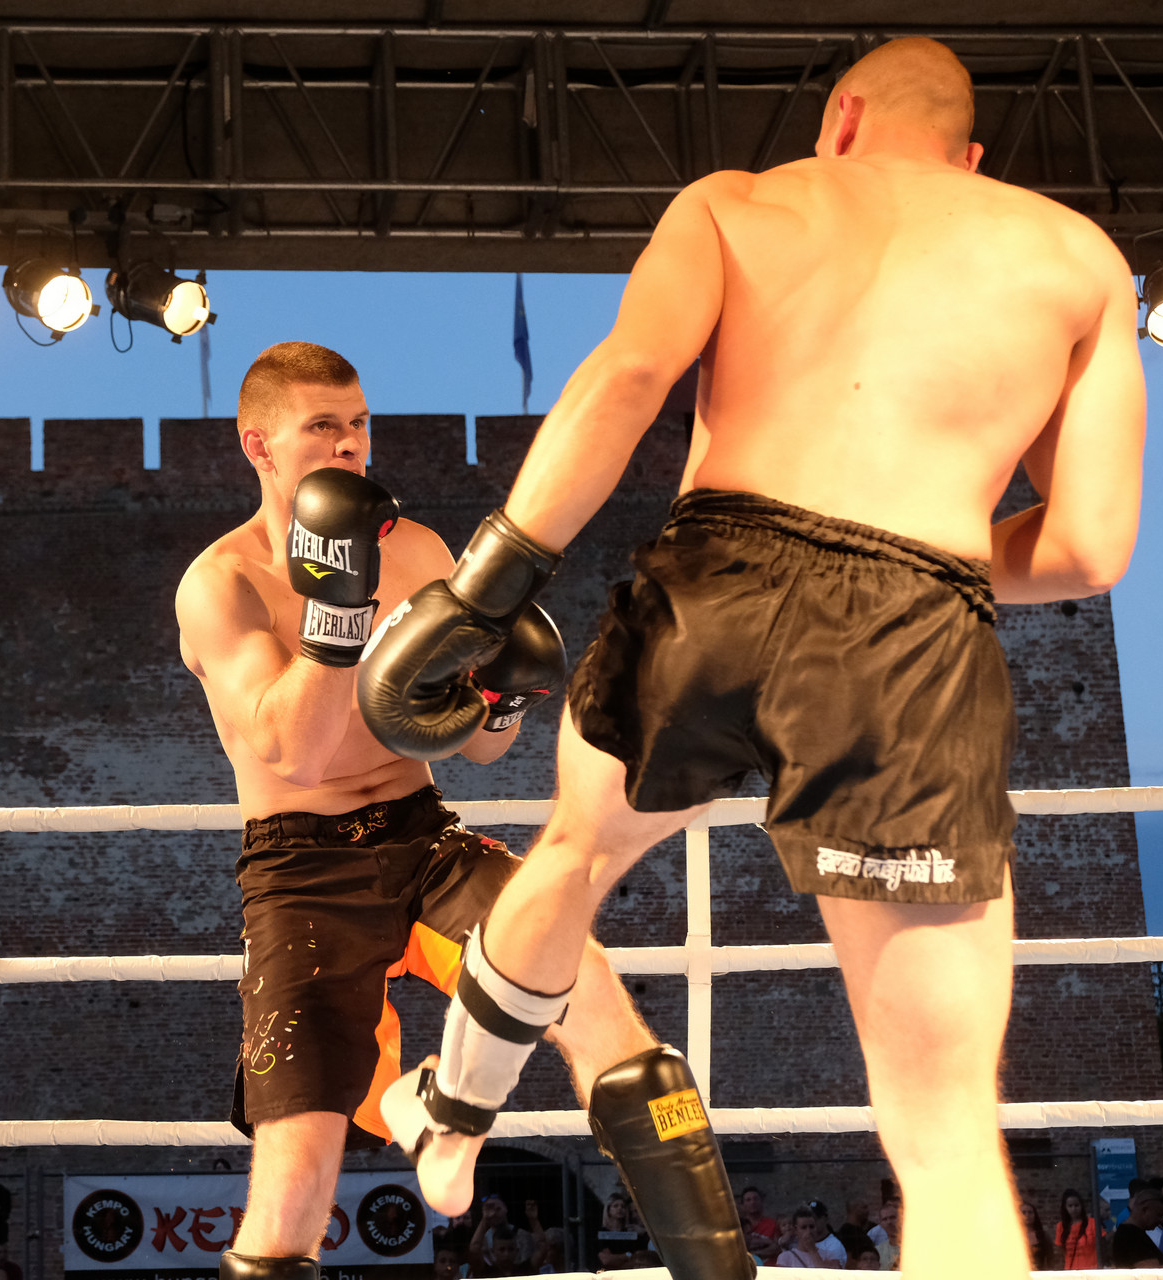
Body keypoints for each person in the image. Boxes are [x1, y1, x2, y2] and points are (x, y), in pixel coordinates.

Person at [359, 34, 1144, 1280]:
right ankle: (454, 1116)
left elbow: (626, 378)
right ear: (973, 157)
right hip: (911, 627)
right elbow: (1092, 545)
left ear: (843, 118)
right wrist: (918, 566)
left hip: (717, 575)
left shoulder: (739, 202)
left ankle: (453, 1115)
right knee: (946, 1135)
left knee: (572, 853)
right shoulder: (1076, 257)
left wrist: (481, 588)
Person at [175, 341, 732, 1280]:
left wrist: (501, 700)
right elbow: (293, 752)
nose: (350, 445)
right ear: (258, 445)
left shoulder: (419, 551)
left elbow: (474, 748)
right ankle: (412, 1116)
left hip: (424, 834)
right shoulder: (221, 583)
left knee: (600, 1005)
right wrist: (338, 612)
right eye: (323, 426)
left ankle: (718, 1268)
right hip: (301, 873)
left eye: (359, 424)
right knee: (293, 1184)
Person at [1111, 1189, 1163, 1268]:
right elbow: (1150, 1270)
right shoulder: (1130, 1236)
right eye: (1158, 1215)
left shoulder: (1132, 1234)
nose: (1161, 1220)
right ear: (1145, 1209)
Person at [1057, 1190, 1099, 1270]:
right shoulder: (1061, 1226)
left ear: (1081, 1206)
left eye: (1076, 1205)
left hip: (1091, 1269)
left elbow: (1102, 1246)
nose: (1074, 1209)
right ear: (1065, 1207)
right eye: (1070, 1206)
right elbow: (1061, 1250)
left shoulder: (1092, 1223)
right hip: (1071, 1270)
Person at [740, 1188, 782, 1265]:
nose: (753, 1202)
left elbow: (777, 1248)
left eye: (756, 1199)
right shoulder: (739, 1226)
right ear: (743, 1205)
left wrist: (753, 1254)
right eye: (748, 1200)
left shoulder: (773, 1224)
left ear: (761, 1201)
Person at [806, 1203, 847, 1267]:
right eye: (808, 1218)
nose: (812, 1221)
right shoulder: (801, 1242)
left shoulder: (834, 1245)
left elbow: (831, 1272)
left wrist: (812, 1251)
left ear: (826, 1218)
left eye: (816, 1218)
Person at [1017, 1200, 1049, 1272]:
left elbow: (1050, 1258)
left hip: (1039, 1273)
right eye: (1024, 1212)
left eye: (1030, 1212)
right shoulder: (1014, 1236)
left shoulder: (1043, 1236)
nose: (1027, 1215)